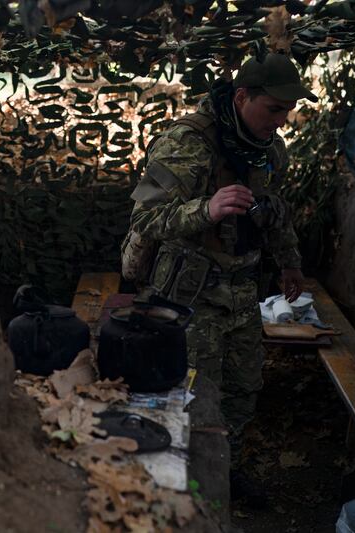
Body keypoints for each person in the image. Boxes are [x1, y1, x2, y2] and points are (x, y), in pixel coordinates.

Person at [125, 53, 315, 504]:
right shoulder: (188, 143)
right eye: (274, 109)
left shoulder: (266, 146)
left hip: (243, 291)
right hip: (191, 296)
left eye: (288, 110)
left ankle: (223, 472)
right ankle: (183, 490)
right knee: (190, 394)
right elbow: (145, 218)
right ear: (242, 96)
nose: (282, 120)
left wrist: (290, 261)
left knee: (242, 391)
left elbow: (273, 210)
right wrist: (205, 209)